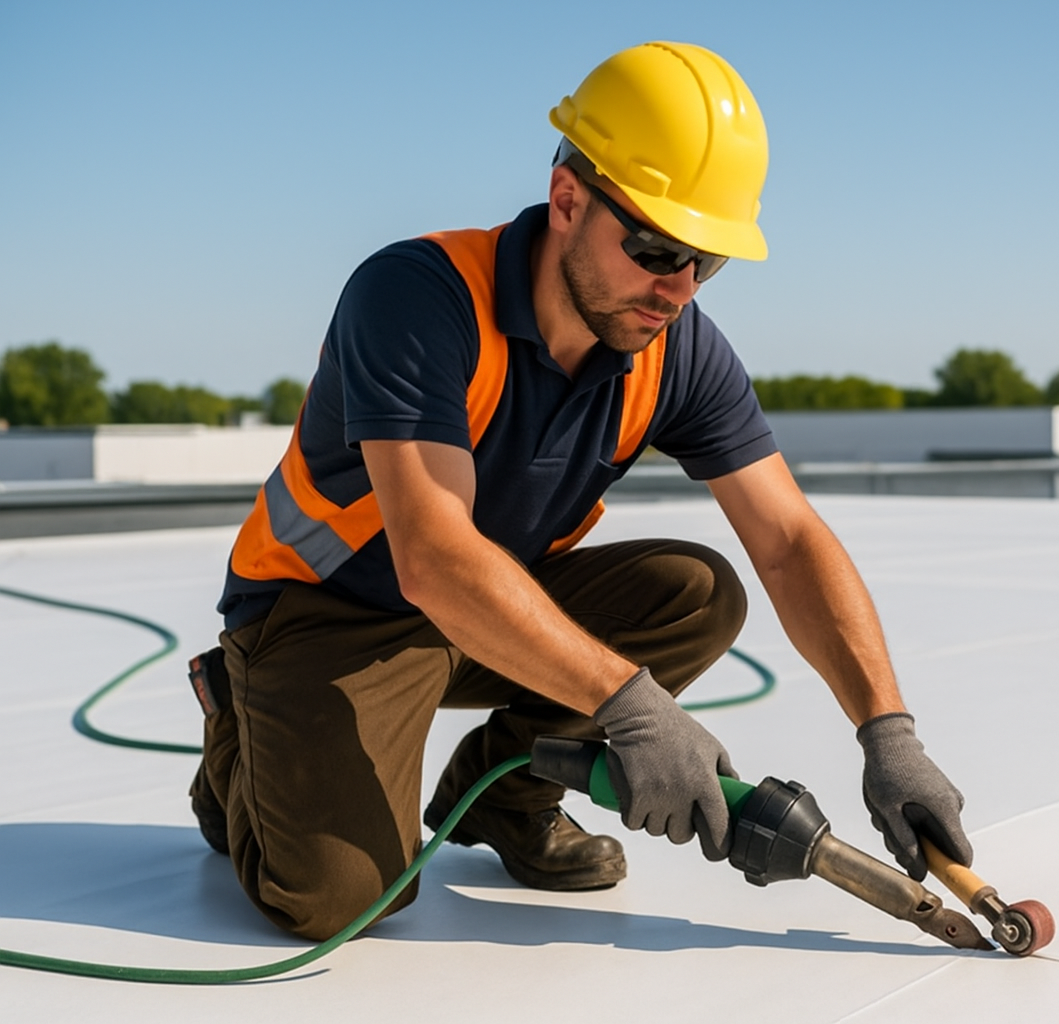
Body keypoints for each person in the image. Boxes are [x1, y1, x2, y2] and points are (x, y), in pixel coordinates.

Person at [189, 41, 972, 940]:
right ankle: (236, 743)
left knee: (697, 593)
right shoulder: (415, 298)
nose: (677, 290)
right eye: (655, 248)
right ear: (568, 200)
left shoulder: (672, 345)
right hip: (325, 616)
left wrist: (888, 734)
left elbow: (788, 537)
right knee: (345, 900)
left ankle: (505, 795)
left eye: (705, 262)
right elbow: (435, 556)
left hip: (486, 610)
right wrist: (633, 708)